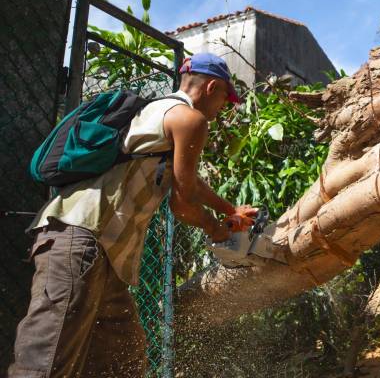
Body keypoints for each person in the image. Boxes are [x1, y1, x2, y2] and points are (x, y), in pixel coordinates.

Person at [8, 53, 256, 377]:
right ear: (212, 87)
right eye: (226, 97)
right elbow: (182, 204)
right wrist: (216, 229)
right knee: (46, 361)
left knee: (122, 363)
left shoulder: (158, 111)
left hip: (104, 255)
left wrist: (229, 210)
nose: (225, 105)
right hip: (81, 240)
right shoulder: (190, 120)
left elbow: (190, 181)